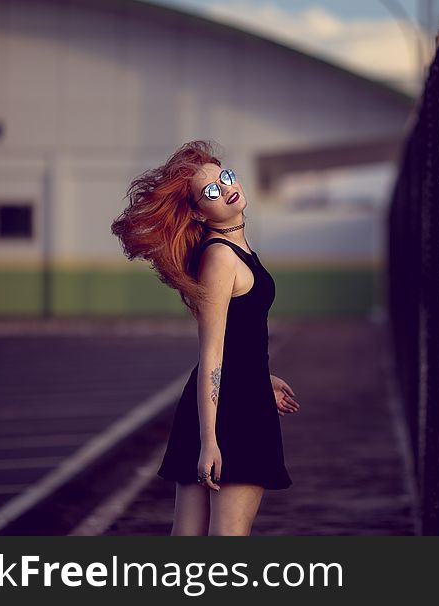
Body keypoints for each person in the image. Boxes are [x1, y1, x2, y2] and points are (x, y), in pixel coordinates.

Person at [111, 140, 300, 536]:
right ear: (198, 212)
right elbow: (212, 353)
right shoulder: (220, 257)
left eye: (225, 176)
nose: (226, 187)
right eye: (211, 191)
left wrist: (260, 378)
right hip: (230, 415)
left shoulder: (237, 247)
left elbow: (239, 340)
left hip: (237, 398)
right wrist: (209, 441)